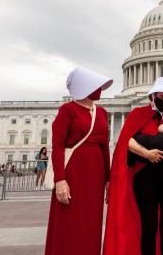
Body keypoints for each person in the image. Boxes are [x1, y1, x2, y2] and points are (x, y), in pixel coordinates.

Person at [103, 77, 163, 255]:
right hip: (146, 176)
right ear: (153, 95)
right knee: (149, 224)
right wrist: (146, 154)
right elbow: (124, 142)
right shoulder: (138, 113)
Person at [44, 66, 113, 255]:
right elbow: (58, 146)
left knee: (91, 221)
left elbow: (105, 146)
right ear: (85, 86)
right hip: (73, 170)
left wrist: (108, 178)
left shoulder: (102, 113)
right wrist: (60, 179)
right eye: (97, 86)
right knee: (69, 220)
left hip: (95, 173)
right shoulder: (67, 110)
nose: (100, 90)